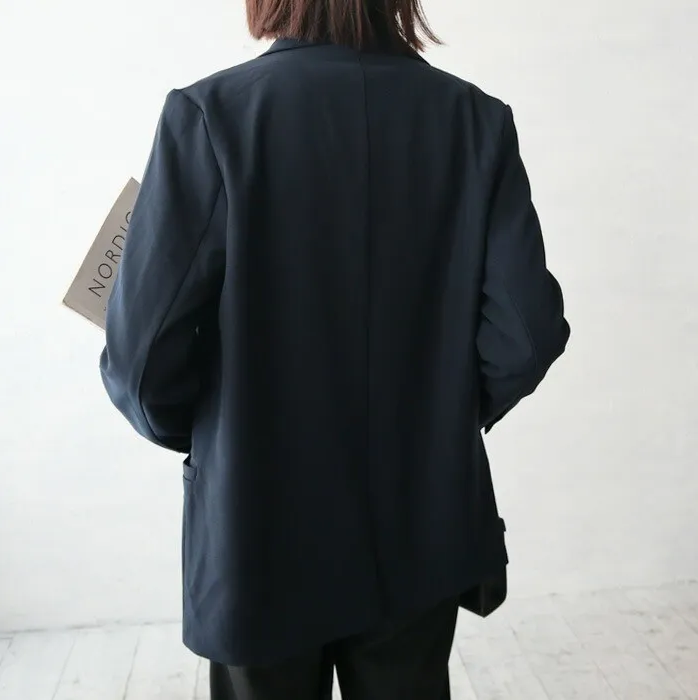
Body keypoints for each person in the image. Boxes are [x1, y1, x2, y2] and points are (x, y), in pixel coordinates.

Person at [99, 0, 570, 696]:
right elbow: (527, 333)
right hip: (421, 521)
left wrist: (210, 434)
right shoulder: (474, 120)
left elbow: (142, 359)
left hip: (257, 523)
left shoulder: (212, 116)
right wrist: (440, 418)